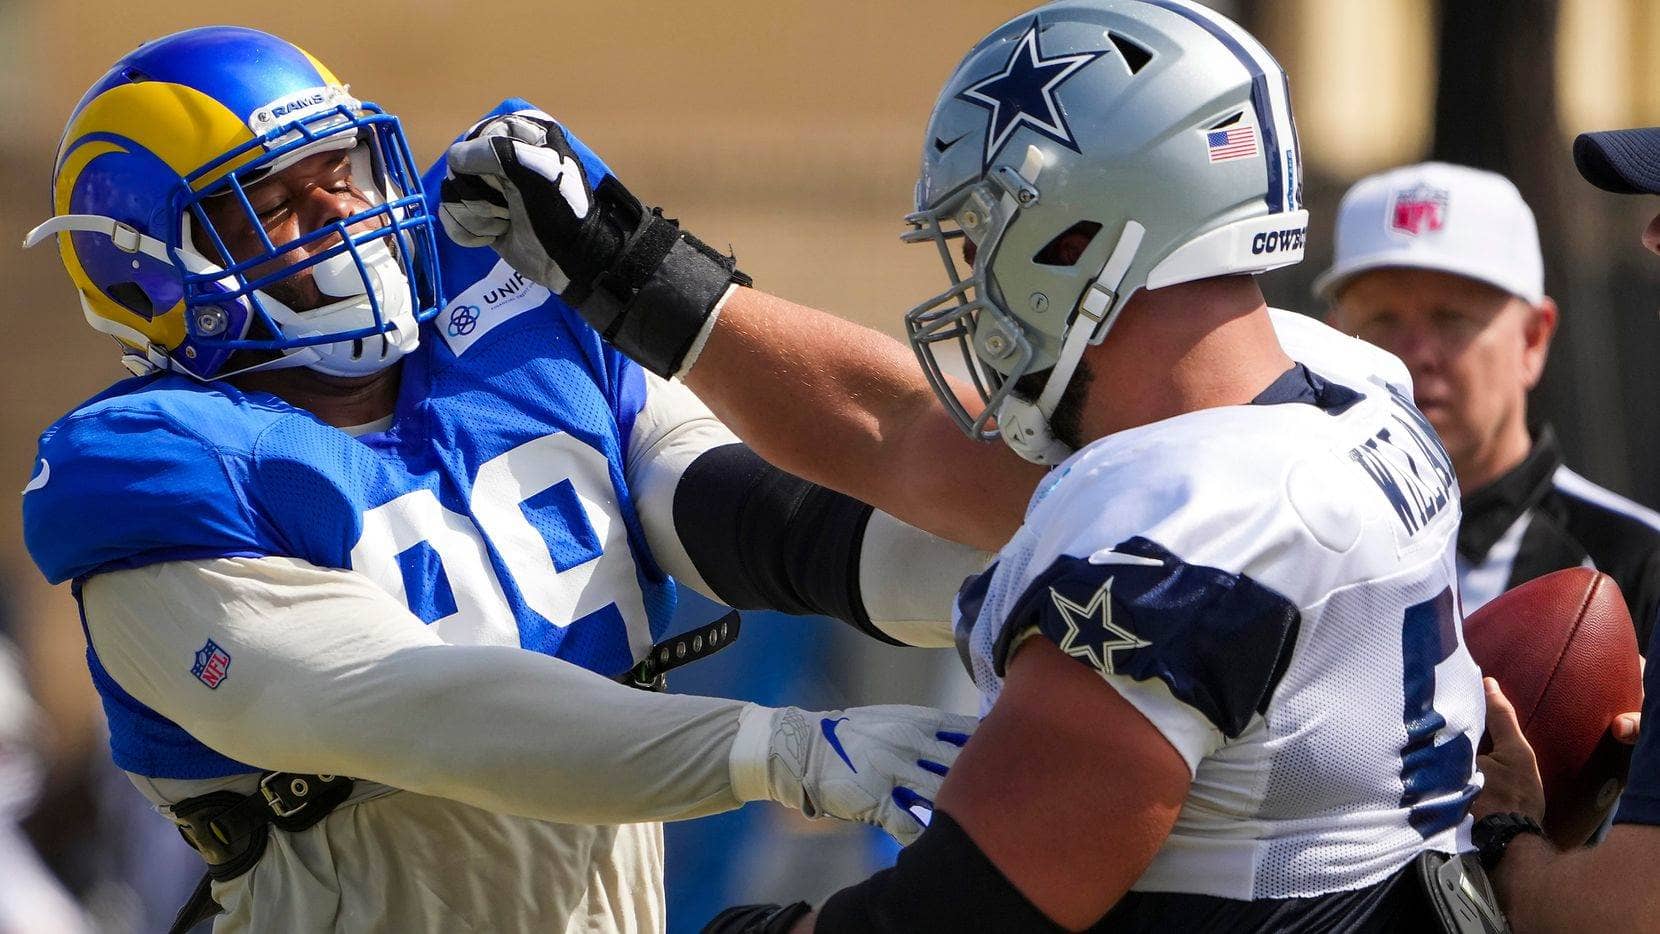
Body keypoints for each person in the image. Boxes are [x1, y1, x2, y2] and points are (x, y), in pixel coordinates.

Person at [440, 1, 1510, 929]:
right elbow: (896, 430)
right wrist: (632, 268)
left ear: (1084, 236)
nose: (975, 273)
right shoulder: (1331, 381)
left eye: (985, 227)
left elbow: (965, 909)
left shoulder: (1187, 538)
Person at [19, 26, 988, 934]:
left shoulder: (504, 326)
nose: (344, 213)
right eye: (275, 202)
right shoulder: (162, 473)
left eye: (342, 173)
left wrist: (1012, 579)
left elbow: (753, 515)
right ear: (147, 274)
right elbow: (425, 710)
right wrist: (784, 753)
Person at [1318, 162, 1660, 649]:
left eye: (1451, 319)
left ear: (1533, 339)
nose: (1416, 353)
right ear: (1334, 338)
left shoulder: (1637, 561)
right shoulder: (1294, 548)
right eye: (1381, 320)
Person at [1461, 129, 1660, 933]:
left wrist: (1505, 830)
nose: (1652, 235)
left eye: (1454, 317)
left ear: (1533, 337)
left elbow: (1630, 908)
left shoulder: (1634, 548)